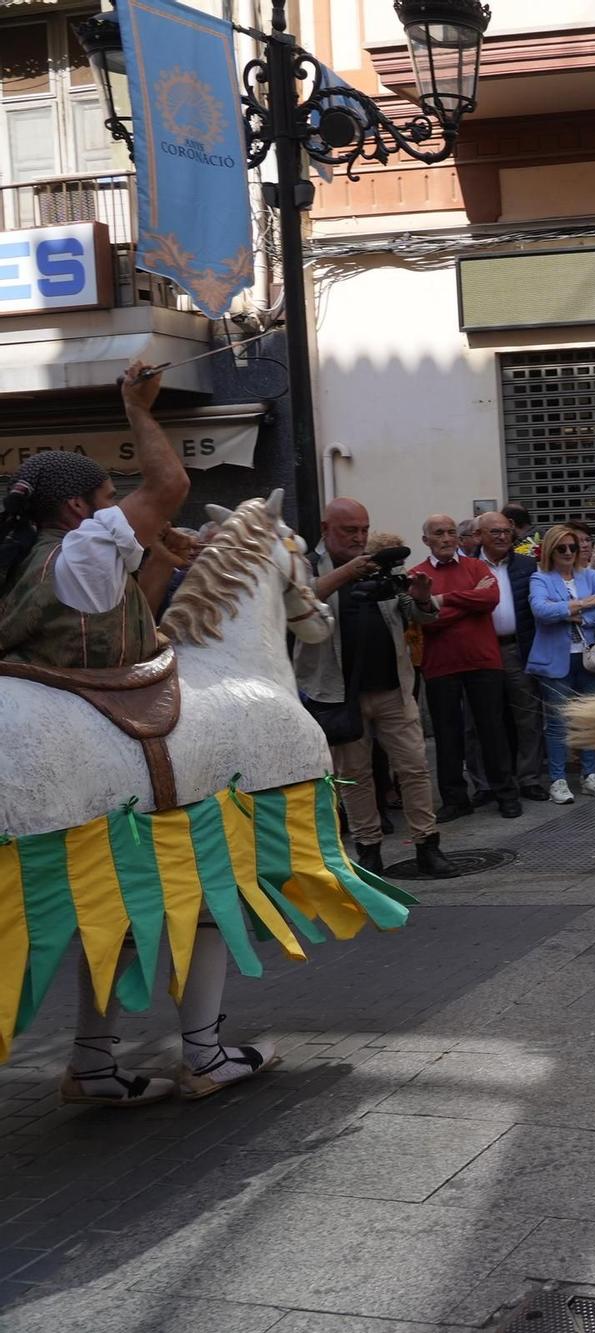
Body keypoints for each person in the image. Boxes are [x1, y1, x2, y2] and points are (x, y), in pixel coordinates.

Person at [0, 361, 275, 1104]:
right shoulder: (83, 548)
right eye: (103, 497)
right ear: (74, 511)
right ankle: (206, 1053)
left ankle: (93, 1065)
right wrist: (136, 407)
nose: (114, 507)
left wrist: (155, 556)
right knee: (209, 890)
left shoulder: (51, 561)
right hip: (109, 751)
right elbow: (171, 486)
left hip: (97, 721)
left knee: (114, 912)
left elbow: (138, 625)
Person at [299, 498, 455, 877]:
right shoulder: (303, 565)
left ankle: (427, 845)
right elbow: (298, 601)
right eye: (349, 530)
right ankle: (368, 849)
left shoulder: (382, 563)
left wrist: (420, 597)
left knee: (414, 767)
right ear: (325, 529)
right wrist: (348, 573)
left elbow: (416, 614)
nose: (359, 537)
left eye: (364, 530)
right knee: (354, 774)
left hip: (392, 688)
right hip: (338, 692)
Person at [415, 514, 521, 821]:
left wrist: (442, 599)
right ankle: (454, 799)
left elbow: (490, 599)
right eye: (439, 533)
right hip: (441, 666)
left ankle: (505, 794)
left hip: (483, 661)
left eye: (451, 532)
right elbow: (427, 621)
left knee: (493, 731)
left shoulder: (476, 567)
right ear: (426, 541)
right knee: (448, 737)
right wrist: (465, 604)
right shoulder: (417, 575)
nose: (448, 538)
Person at [527, 522, 595, 803]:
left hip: (590, 660)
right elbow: (540, 610)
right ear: (551, 551)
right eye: (561, 548)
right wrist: (580, 604)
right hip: (555, 661)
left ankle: (590, 775)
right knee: (557, 723)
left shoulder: (590, 576)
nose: (568, 552)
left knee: (588, 719)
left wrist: (578, 616)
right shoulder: (540, 578)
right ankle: (558, 780)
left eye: (573, 547)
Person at [475, 511, 550, 802]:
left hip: (517, 649)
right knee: (482, 719)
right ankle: (485, 783)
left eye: (506, 531)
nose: (503, 536)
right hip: (481, 652)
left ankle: (529, 778)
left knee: (528, 716)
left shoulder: (528, 565)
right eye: (494, 532)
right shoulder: (469, 566)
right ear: (480, 535)